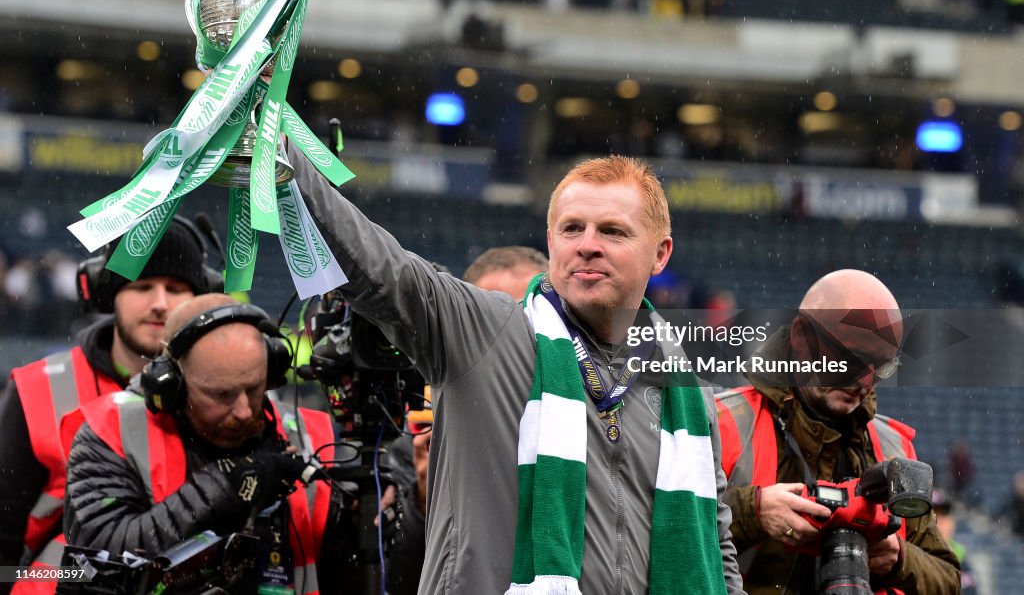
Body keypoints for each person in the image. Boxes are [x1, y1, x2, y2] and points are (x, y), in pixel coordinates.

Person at [289, 148, 744, 594]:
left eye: (612, 232)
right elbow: (382, 270)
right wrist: (283, 152)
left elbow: (714, 540)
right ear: (551, 243)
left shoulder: (685, 387)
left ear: (660, 254)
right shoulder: (486, 332)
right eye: (571, 229)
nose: (588, 245)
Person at [62, 293, 413, 593]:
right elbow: (96, 561)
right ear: (171, 384)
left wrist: (362, 528)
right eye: (222, 394)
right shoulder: (111, 431)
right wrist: (231, 484)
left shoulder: (310, 434)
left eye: (254, 388)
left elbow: (345, 579)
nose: (244, 410)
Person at [0, 216, 216, 591]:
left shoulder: (230, 393)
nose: (160, 304)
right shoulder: (37, 390)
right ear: (105, 292)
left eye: (176, 287)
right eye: (142, 285)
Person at [715, 269, 961, 593]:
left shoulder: (893, 449)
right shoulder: (716, 424)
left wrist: (900, 560)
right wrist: (753, 511)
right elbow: (657, 539)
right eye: (852, 359)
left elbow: (948, 579)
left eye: (882, 367)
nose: (864, 382)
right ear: (802, 336)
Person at [388, 245, 550, 594]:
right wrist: (420, 506)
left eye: (523, 315)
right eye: (488, 315)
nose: (505, 331)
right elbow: (389, 577)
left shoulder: (592, 420)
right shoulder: (417, 439)